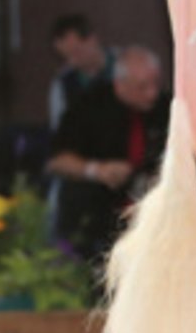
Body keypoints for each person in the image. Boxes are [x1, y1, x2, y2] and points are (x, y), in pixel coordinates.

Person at [46, 46, 168, 272]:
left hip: (151, 218)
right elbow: (57, 160)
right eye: (142, 87)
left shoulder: (166, 107)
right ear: (120, 84)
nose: (151, 93)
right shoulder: (88, 106)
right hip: (96, 217)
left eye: (155, 85)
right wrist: (97, 170)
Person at [47, 14, 115, 131]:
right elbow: (59, 131)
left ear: (92, 39)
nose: (71, 62)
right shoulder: (62, 84)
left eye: (75, 52)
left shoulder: (127, 65)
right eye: (64, 57)